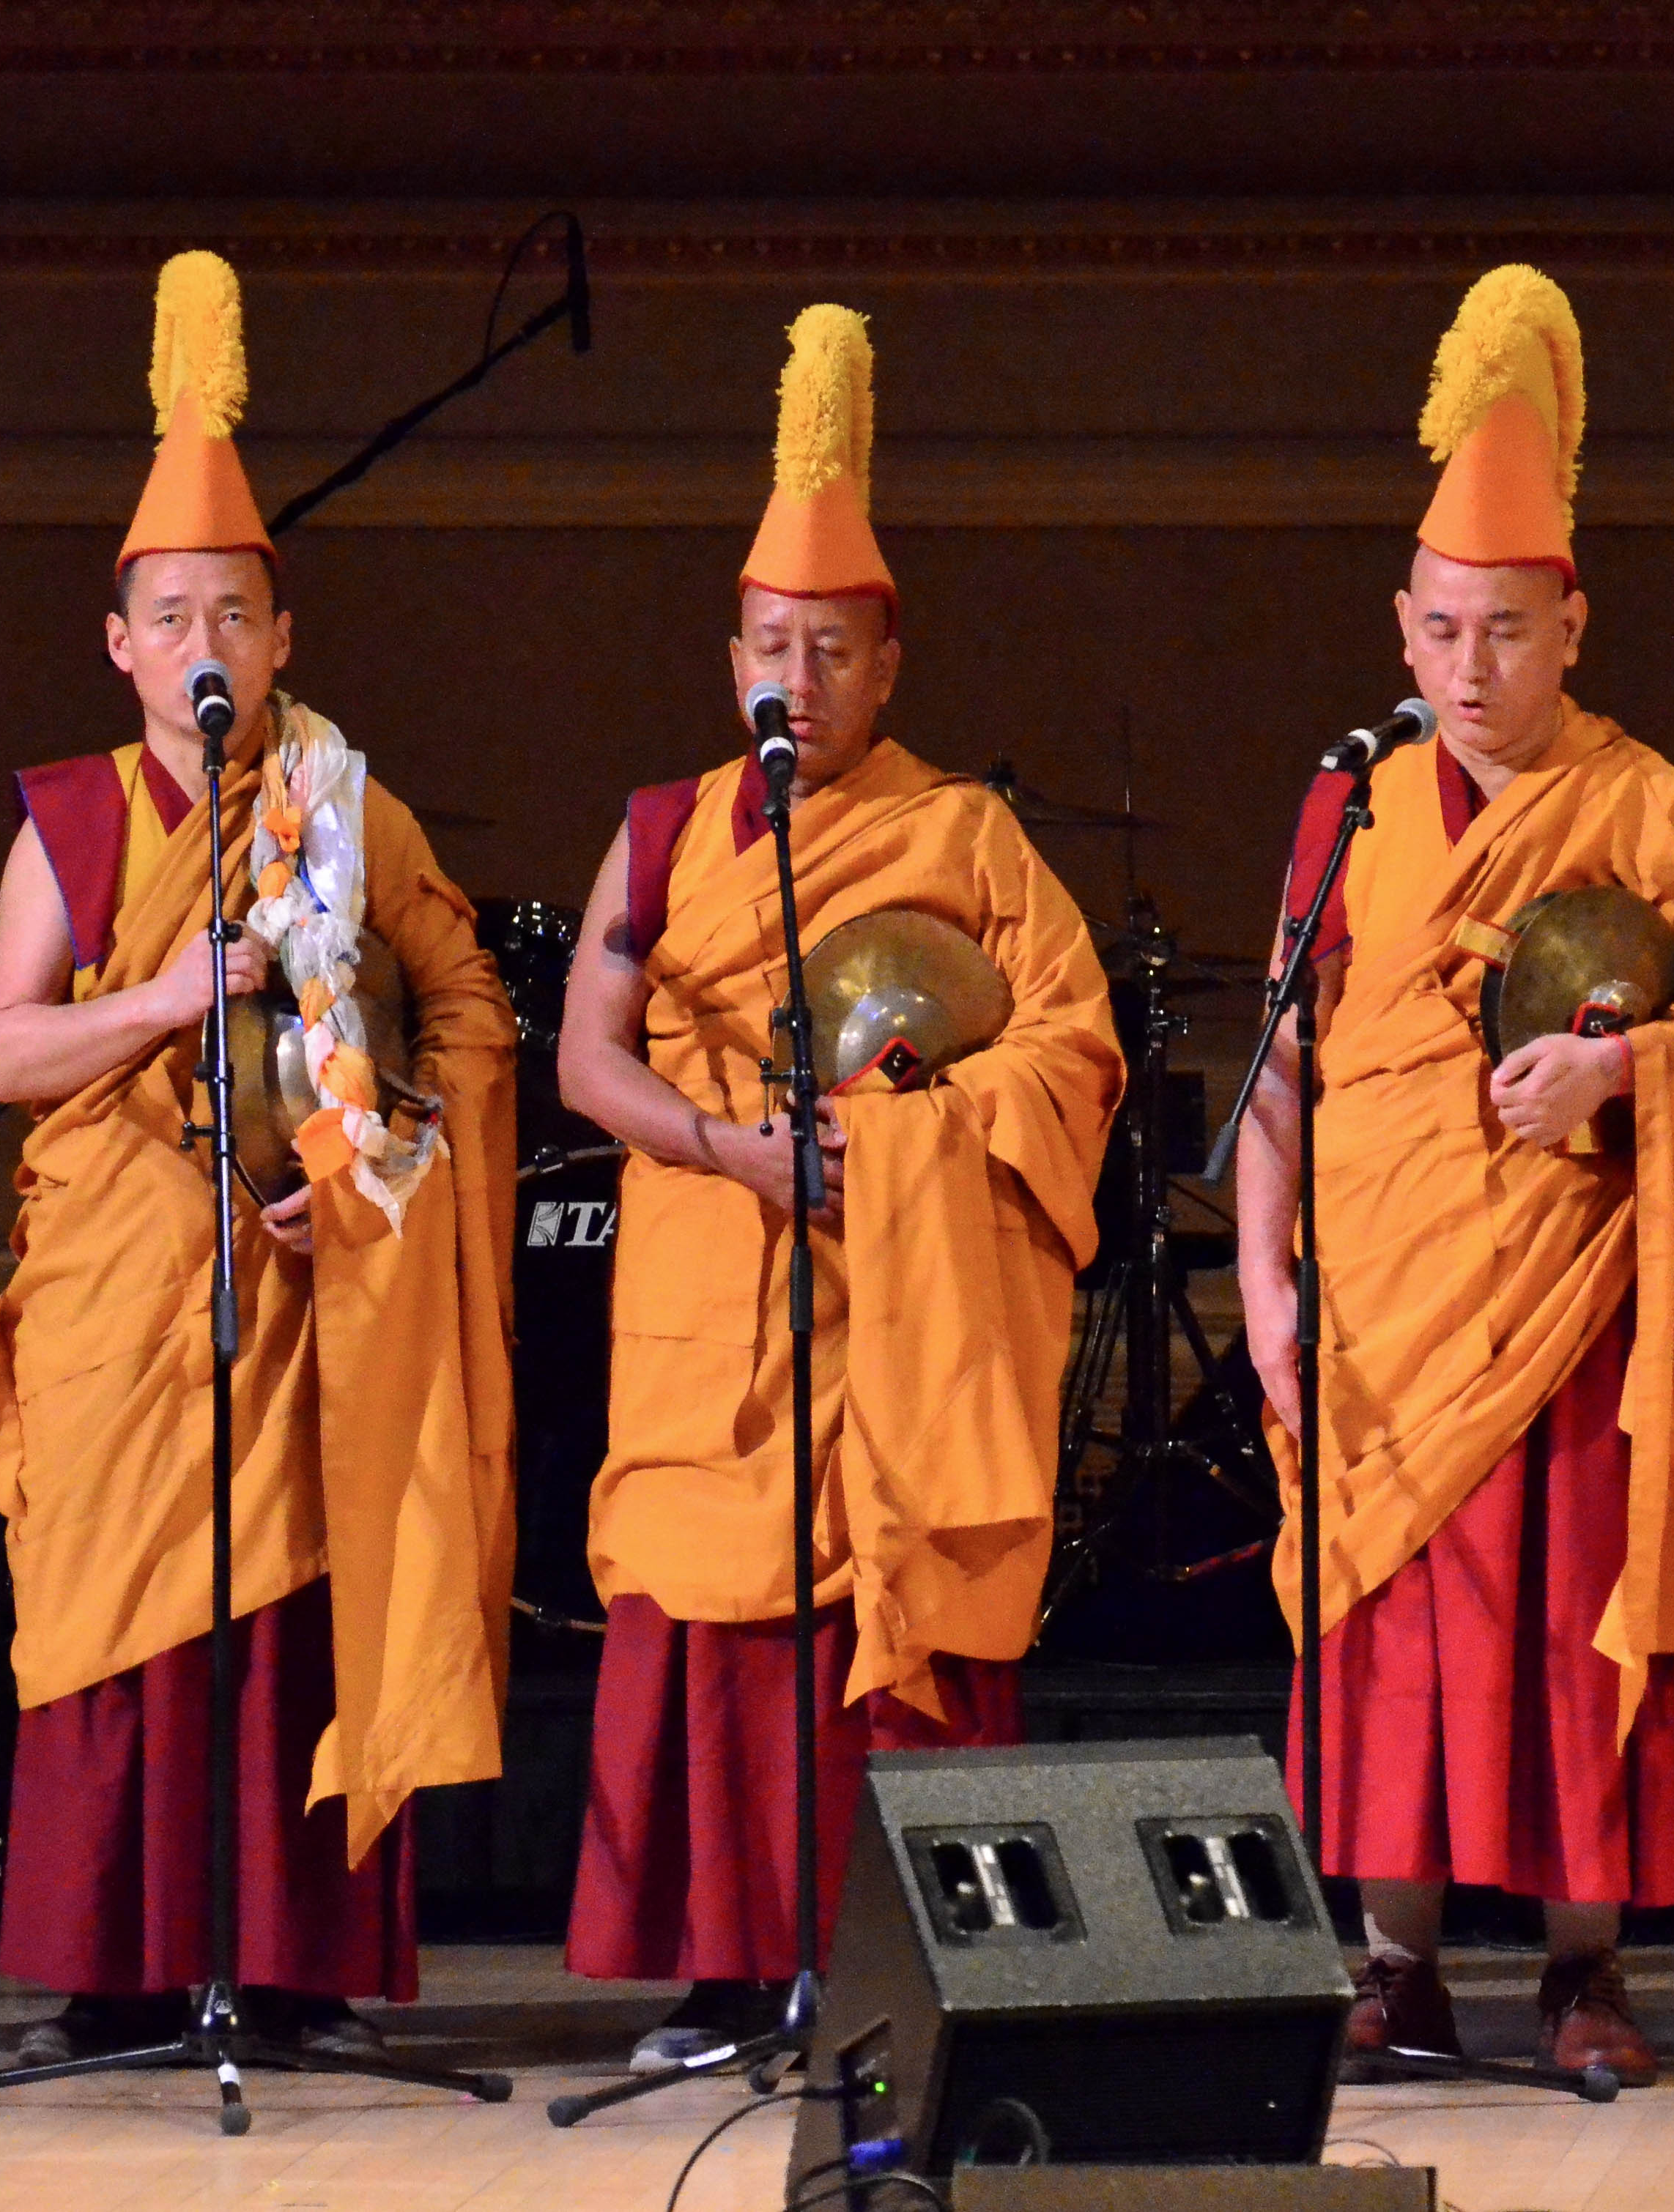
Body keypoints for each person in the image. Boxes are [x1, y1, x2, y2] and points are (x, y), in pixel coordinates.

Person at [1234, 267, 1674, 2087]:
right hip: (1388, 1296)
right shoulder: (1348, 810)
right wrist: (1265, 1285)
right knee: (1396, 1630)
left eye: (1506, 630)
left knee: (1572, 1625)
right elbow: (1275, 1069)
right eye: (1440, 632)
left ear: (1573, 623)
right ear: (1398, 630)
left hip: (1573, 1299)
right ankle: (1392, 1961)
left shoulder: (1656, 811)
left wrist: (1623, 1066)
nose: (1469, 670)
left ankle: (1583, 1975)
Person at [555, 305, 1124, 2071]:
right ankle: (722, 1977)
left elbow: (1073, 1052)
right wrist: (730, 1147)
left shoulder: (964, 837)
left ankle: (888, 1964)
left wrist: (900, 1142)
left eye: (831, 650)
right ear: (730, 652)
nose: (794, 679)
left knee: (868, 1619)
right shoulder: (659, 831)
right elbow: (587, 1053)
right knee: (706, 1622)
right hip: (710, 1272)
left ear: (888, 665)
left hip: (889, 1287)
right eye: (769, 647)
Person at [0, 252, 517, 2066]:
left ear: (285, 640)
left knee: (285, 1607)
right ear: (118, 643)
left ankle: (282, 1968)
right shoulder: (68, 818)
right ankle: (109, 1973)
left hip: (301, 1266)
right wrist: (160, 1003)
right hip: (124, 1276)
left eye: (238, 616)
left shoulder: (347, 805)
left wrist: (375, 1163)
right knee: (123, 1616)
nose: (206, 647)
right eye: (171, 616)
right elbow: (2, 1049)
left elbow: (466, 1009)